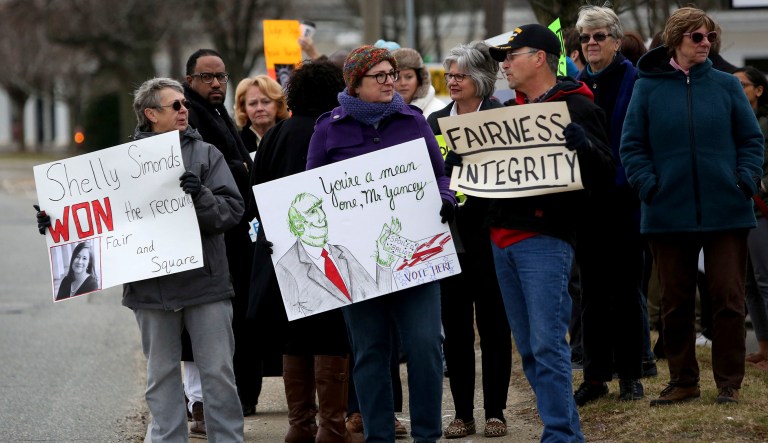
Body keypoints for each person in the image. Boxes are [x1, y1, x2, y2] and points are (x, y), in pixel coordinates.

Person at [36, 77, 246, 441]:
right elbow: (96, 221)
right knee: (161, 376)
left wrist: (201, 197)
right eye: (175, 105)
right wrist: (56, 222)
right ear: (150, 114)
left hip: (206, 284)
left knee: (219, 374)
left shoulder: (206, 155)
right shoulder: (117, 165)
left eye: (185, 104)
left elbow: (231, 213)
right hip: (151, 289)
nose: (185, 110)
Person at [306, 45, 455, 443]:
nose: (392, 81)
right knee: (370, 352)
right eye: (381, 76)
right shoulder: (328, 128)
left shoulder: (414, 121)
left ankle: (427, 435)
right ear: (355, 84)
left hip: (415, 257)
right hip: (358, 262)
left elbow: (439, 176)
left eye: (393, 74)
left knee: (426, 347)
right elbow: (310, 193)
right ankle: (379, 435)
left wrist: (445, 198)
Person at [619, 7, 764, 406]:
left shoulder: (727, 86)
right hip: (667, 214)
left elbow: (752, 141)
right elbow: (632, 146)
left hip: (727, 211)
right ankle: (683, 380)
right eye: (697, 37)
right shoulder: (647, 88)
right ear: (675, 40)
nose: (706, 44)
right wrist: (650, 186)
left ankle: (729, 383)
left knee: (729, 300)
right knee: (676, 303)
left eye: (709, 37)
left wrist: (744, 180)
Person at [480, 23, 614, 442]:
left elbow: (606, 174)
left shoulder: (577, 106)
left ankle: (560, 434)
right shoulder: (508, 110)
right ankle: (561, 430)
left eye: (511, 55)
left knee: (547, 344)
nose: (504, 65)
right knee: (532, 349)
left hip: (544, 240)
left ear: (539, 58)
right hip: (501, 238)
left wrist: (586, 147)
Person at [249, 59, 352, 443]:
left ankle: (299, 426)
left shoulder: (276, 135)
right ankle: (332, 427)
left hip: (284, 255)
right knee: (331, 338)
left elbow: (257, 193)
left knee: (294, 339)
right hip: (328, 250)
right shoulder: (336, 131)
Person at [425, 41, 512, 439]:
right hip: (449, 242)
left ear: (479, 78)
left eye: (459, 75)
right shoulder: (435, 122)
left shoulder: (501, 117)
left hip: (492, 239)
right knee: (455, 329)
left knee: (495, 326)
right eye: (450, 75)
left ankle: (495, 410)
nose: (453, 82)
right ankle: (462, 413)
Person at [571, 5, 647, 406]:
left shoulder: (635, 81)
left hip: (624, 200)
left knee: (625, 290)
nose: (592, 43)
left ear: (616, 41)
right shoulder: (575, 85)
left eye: (599, 35)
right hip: (586, 203)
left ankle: (631, 375)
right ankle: (596, 376)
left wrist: (627, 182)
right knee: (591, 294)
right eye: (585, 37)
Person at [184, 48, 261, 422]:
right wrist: (243, 168)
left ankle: (218, 402)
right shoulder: (192, 117)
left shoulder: (216, 112)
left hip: (231, 225)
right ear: (190, 81)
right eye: (208, 77)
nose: (217, 83)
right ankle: (200, 404)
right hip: (212, 231)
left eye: (221, 77)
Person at [733, 66, 768, 368]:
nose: (736, 89)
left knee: (764, 280)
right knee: (749, 286)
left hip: (760, 211)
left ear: (758, 90)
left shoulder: (764, 124)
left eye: (742, 85)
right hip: (738, 211)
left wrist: (760, 185)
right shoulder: (730, 121)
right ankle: (764, 348)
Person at [234, 75, 289, 153]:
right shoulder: (236, 143)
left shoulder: (292, 136)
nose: (259, 108)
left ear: (278, 105)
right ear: (244, 108)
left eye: (266, 102)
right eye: (252, 103)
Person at [392, 48, 445, 118]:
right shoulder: (382, 113)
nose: (403, 83)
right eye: (397, 78)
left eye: (409, 77)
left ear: (420, 79)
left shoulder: (439, 110)